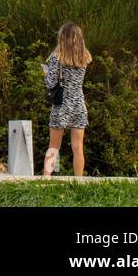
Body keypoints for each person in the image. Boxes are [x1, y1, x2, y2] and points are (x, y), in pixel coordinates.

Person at [42, 21, 92, 177]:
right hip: (78, 104)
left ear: (62, 37)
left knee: (54, 146)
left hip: (62, 104)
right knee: (78, 148)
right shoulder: (84, 57)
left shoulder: (57, 58)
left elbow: (51, 83)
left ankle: (47, 178)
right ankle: (78, 180)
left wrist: (46, 73)